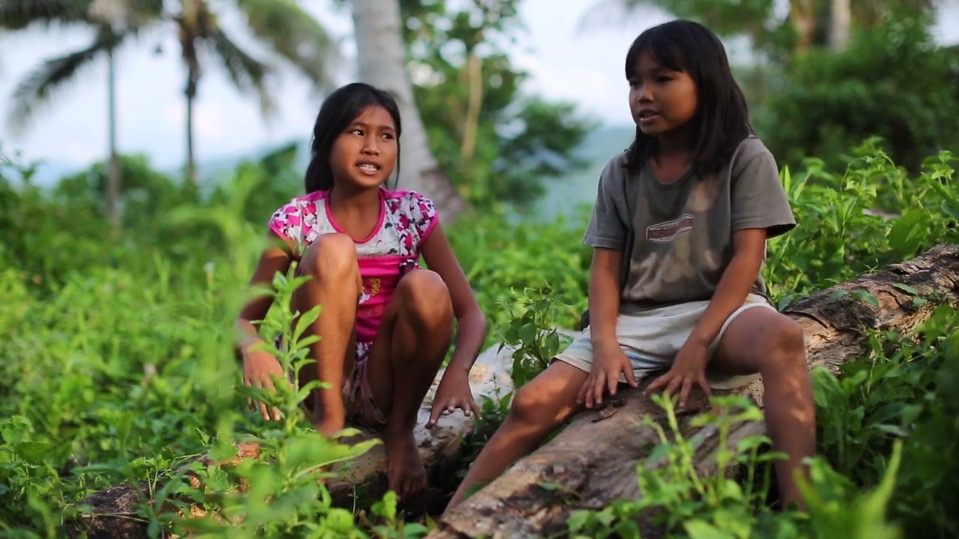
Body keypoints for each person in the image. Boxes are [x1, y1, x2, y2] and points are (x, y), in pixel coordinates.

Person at [447, 20, 815, 511]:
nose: (644, 95)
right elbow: (604, 271)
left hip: (722, 314)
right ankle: (452, 516)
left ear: (706, 83)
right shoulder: (622, 172)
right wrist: (604, 346)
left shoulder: (744, 158)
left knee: (784, 338)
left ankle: (804, 508)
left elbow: (747, 259)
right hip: (634, 324)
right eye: (635, 82)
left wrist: (698, 344)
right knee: (532, 403)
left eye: (662, 79)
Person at [236, 82, 487, 501]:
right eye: (357, 132)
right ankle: (329, 422)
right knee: (333, 249)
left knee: (427, 284)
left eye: (385, 136)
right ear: (325, 142)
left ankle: (400, 432)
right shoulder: (298, 220)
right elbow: (242, 318)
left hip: (386, 385)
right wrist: (253, 349)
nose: (372, 146)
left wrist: (457, 374)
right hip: (316, 381)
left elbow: (472, 314)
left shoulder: (412, 213)